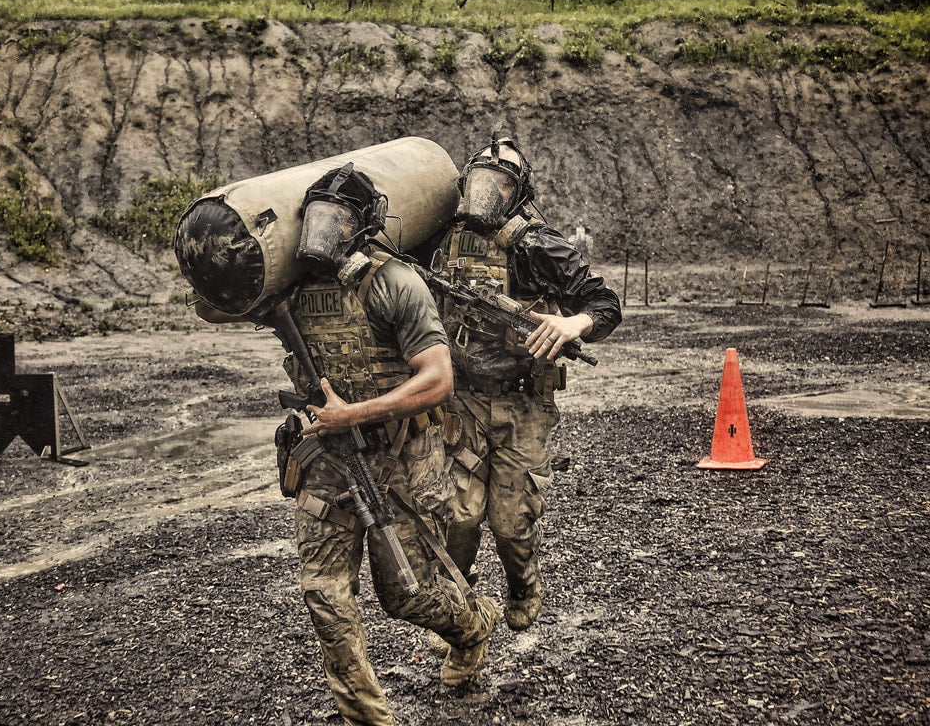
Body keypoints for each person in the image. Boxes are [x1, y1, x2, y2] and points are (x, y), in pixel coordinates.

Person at [191, 163, 501, 726]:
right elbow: (211, 306)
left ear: (364, 228)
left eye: (338, 222)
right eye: (317, 219)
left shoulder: (396, 284)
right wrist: (219, 272)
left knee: (408, 595)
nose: (325, 233)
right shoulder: (290, 283)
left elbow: (438, 380)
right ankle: (368, 718)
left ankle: (475, 625)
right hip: (325, 460)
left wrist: (351, 413)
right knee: (325, 595)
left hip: (401, 459)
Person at [423, 133, 622, 633]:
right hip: (460, 401)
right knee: (460, 519)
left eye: (503, 179)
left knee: (512, 523)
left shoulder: (536, 244)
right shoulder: (436, 237)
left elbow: (605, 303)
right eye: (482, 177)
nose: (490, 188)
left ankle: (523, 585)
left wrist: (573, 324)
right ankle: (462, 625)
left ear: (519, 192)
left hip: (522, 407)